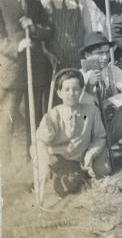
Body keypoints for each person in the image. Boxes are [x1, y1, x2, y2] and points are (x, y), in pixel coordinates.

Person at [0, 0, 53, 165]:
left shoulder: (36, 5)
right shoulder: (2, 3)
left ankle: (33, 161)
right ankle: (4, 165)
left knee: (35, 117)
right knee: (7, 118)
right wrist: (16, 46)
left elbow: (49, 31)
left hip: (35, 69)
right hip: (12, 71)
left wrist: (34, 26)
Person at [34, 69, 111, 197]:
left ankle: (81, 172)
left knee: (104, 170)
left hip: (80, 156)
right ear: (59, 93)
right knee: (70, 183)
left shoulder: (92, 111)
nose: (72, 94)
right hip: (60, 157)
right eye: (67, 90)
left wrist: (90, 154)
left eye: (75, 89)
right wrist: (43, 163)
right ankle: (63, 175)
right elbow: (39, 142)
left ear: (81, 90)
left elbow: (100, 137)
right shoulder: (54, 115)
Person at [79, 32, 122, 167]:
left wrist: (110, 101)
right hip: (88, 134)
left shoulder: (112, 70)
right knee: (103, 170)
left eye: (106, 52)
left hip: (109, 129)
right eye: (99, 53)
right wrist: (88, 88)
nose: (104, 57)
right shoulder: (78, 77)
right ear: (87, 56)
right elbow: (81, 117)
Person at [42, 0, 88, 70]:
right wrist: (46, 53)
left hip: (77, 59)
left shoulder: (80, 3)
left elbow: (88, 30)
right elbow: (41, 35)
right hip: (54, 60)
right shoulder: (46, 4)